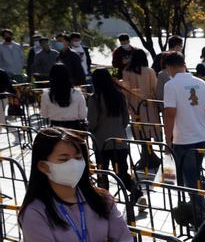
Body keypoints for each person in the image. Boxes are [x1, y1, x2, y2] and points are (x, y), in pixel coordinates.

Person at [161, 51, 205, 221]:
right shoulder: (200, 82)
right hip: (200, 134)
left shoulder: (170, 85)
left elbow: (170, 113)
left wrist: (167, 139)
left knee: (189, 179)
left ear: (169, 68)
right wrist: (195, 111)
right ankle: (197, 210)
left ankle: (200, 216)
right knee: (193, 175)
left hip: (182, 138)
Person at [87, 68, 138, 200]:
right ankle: (137, 194)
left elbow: (93, 122)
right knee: (121, 172)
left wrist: (89, 129)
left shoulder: (94, 99)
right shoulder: (119, 96)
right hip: (120, 141)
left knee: (102, 174)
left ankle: (104, 201)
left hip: (101, 143)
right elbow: (126, 120)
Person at [121, 48, 160, 170]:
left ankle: (147, 155)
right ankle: (149, 155)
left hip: (134, 106)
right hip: (149, 106)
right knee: (148, 130)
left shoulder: (127, 72)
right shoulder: (149, 71)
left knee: (140, 131)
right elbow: (155, 88)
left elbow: (125, 91)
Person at [39, 64, 87, 130]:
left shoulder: (46, 94)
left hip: (55, 131)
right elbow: (83, 115)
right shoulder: (77, 93)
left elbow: (44, 114)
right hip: (75, 131)